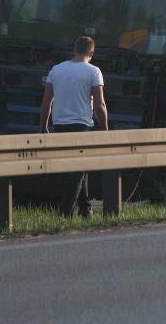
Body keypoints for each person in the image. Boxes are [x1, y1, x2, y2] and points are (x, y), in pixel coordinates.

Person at [39, 36, 109, 217]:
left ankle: (86, 210)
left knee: (78, 169)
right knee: (76, 173)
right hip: (82, 127)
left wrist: (44, 127)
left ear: (74, 49)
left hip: (60, 126)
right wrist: (105, 129)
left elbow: (47, 102)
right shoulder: (93, 71)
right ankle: (65, 213)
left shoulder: (56, 70)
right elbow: (100, 105)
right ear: (92, 53)